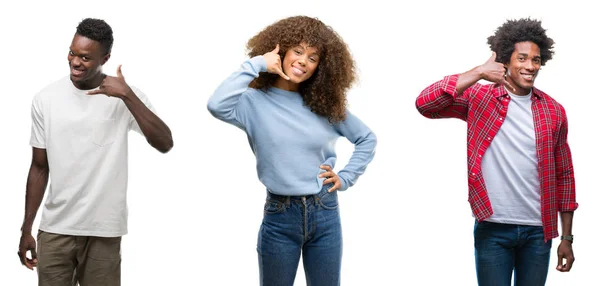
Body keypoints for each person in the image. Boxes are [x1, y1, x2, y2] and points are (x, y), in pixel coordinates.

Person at [207, 15, 377, 286]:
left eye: (312, 57)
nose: (302, 61)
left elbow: (366, 138)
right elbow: (217, 105)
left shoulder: (324, 105)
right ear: (281, 51)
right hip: (280, 214)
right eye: (297, 51)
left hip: (325, 210)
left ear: (321, 66)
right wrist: (258, 63)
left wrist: (345, 177)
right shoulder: (253, 102)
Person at [415, 18, 577, 285]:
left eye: (535, 60)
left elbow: (565, 175)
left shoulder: (553, 110)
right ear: (506, 60)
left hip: (540, 232)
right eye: (522, 58)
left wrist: (567, 238)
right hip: (493, 228)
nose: (530, 66)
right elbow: (425, 104)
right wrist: (478, 72)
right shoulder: (480, 98)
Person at [17, 18, 173, 285]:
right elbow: (39, 167)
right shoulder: (46, 99)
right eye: (72, 53)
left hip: (104, 230)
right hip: (55, 229)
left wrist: (127, 96)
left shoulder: (125, 96)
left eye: (86, 57)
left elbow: (164, 143)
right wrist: (26, 228)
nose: (75, 62)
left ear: (106, 57)